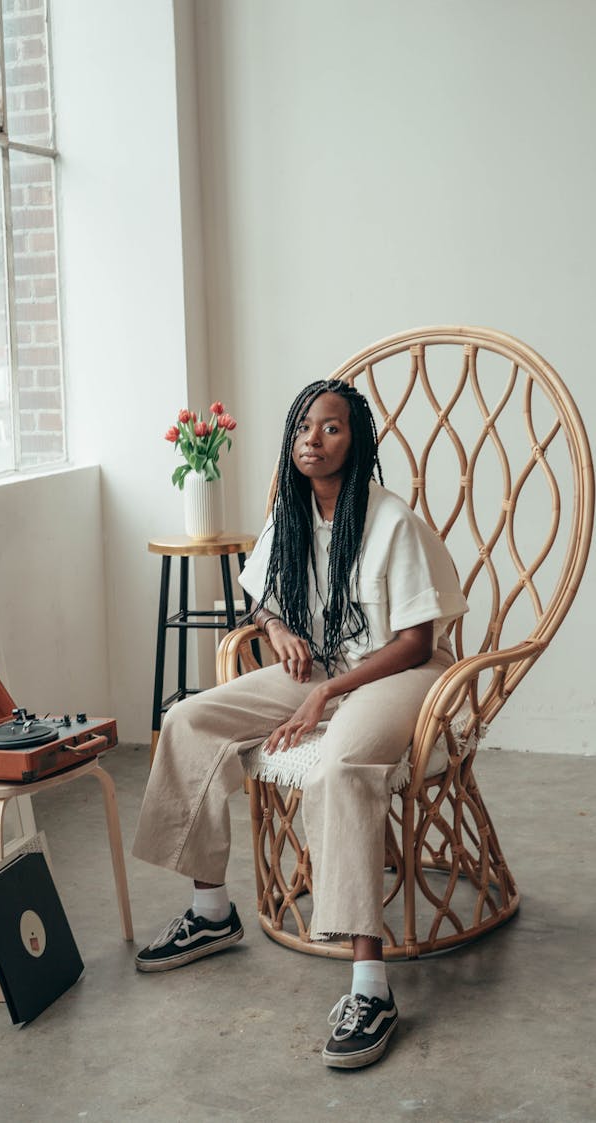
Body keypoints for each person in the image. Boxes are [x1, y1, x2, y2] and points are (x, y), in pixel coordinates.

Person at [132, 380, 468, 1069]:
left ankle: (370, 988)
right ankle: (211, 910)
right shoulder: (290, 515)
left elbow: (415, 638)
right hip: (317, 667)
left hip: (398, 675)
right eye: (304, 428)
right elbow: (262, 597)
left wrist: (328, 694)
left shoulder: (390, 519)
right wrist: (281, 629)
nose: (313, 439)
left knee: (341, 761)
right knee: (189, 719)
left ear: (358, 441)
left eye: (332, 428)